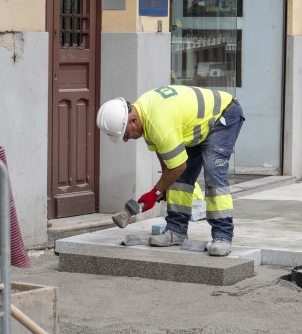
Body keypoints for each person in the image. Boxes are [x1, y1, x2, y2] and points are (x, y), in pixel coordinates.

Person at [96, 86, 244, 256]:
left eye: (125, 134)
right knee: (178, 179)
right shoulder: (143, 114)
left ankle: (223, 236)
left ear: (133, 121)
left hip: (223, 116)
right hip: (197, 128)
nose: (125, 139)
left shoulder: (158, 122)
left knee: (213, 176)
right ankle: (176, 230)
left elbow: (177, 166)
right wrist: (165, 184)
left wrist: (155, 192)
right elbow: (164, 154)